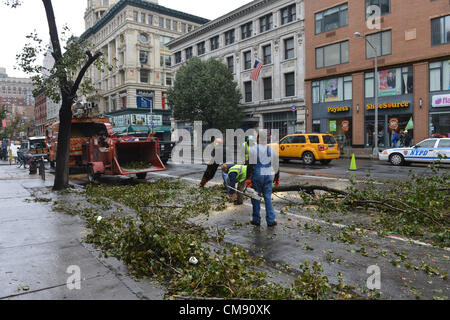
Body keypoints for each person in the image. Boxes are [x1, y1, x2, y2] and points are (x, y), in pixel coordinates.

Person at [246, 134, 280, 227]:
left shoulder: (253, 149)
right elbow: (276, 164)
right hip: (268, 173)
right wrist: (277, 177)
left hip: (258, 174)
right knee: (267, 197)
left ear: (258, 139)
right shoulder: (271, 150)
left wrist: (248, 178)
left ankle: (256, 219)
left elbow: (250, 165)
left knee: (256, 197)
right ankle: (271, 220)